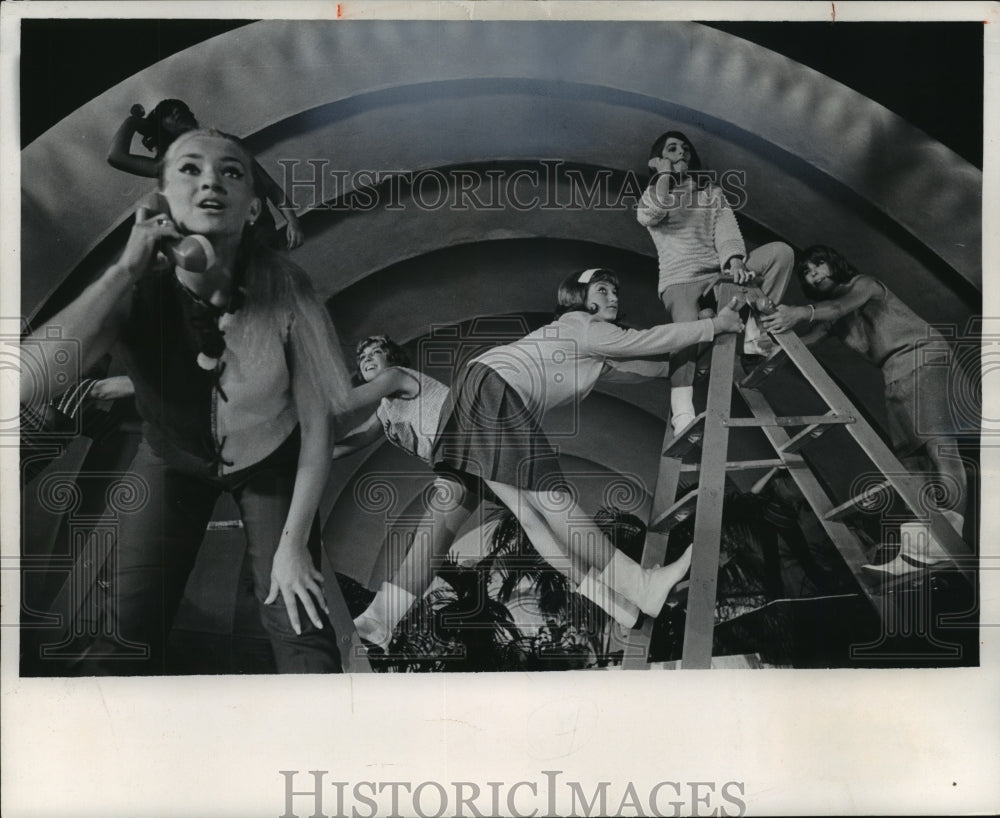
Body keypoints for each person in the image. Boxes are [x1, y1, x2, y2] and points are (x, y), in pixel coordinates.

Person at [22, 129, 352, 673]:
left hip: (270, 465)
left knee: (299, 628)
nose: (210, 183)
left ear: (252, 208)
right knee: (123, 635)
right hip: (172, 458)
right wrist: (123, 271)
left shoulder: (288, 289)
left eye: (231, 172)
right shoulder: (134, 290)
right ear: (160, 199)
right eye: (189, 170)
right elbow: (24, 382)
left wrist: (293, 548)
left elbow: (316, 429)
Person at [431, 267, 746, 625]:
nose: (613, 297)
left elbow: (654, 367)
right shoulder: (583, 325)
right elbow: (648, 341)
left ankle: (620, 605)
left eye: (615, 291)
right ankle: (640, 585)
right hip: (493, 389)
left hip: (471, 397)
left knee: (533, 518)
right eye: (603, 289)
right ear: (582, 298)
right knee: (553, 501)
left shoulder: (588, 350)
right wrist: (714, 326)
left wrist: (702, 343)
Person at [760, 244, 972, 576]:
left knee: (939, 448)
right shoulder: (834, 317)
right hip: (894, 374)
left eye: (818, 267)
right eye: (807, 274)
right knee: (910, 464)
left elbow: (836, 306)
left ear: (835, 264)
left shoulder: (864, 285)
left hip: (923, 357)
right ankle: (916, 550)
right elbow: (810, 339)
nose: (813, 276)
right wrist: (772, 342)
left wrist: (799, 312)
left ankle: (950, 537)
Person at [637, 130, 794, 435]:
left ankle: (754, 336)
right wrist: (664, 174)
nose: (680, 152)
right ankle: (682, 407)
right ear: (657, 160)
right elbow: (650, 215)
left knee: (780, 253)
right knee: (686, 331)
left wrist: (735, 262)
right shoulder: (654, 193)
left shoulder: (710, 193)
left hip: (717, 273)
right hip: (680, 280)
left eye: (684, 149)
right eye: (671, 149)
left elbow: (727, 232)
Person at [331, 335, 480, 651]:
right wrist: (314, 455)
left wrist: (302, 406)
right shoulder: (386, 410)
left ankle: (379, 622)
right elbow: (359, 437)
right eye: (362, 356)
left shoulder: (397, 376)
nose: (368, 358)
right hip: (460, 464)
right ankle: (379, 622)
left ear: (392, 358)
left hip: (469, 445)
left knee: (429, 538)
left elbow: (345, 402)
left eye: (377, 352)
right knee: (428, 542)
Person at [107, 100, 305, 250]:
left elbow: (269, 186)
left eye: (181, 109)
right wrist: (134, 121)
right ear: (160, 127)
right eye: (168, 113)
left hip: (262, 236)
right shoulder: (173, 164)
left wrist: (293, 222)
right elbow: (117, 156)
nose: (177, 112)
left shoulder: (228, 142)